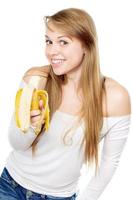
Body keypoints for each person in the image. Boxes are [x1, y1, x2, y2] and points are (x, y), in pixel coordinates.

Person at [0, 7, 131, 200]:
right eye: (49, 41)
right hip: (9, 186)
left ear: (87, 45)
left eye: (63, 42)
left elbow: (109, 164)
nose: (52, 51)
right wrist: (31, 127)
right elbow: (16, 143)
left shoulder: (114, 97)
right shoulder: (37, 79)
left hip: (57, 196)